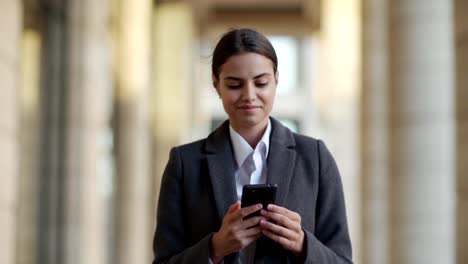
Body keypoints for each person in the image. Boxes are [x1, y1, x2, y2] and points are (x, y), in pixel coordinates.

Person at [152, 28, 352, 263]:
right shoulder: (185, 164)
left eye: (261, 82)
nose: (249, 95)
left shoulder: (315, 158)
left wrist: (301, 244)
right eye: (235, 84)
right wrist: (214, 248)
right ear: (216, 84)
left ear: (276, 80)